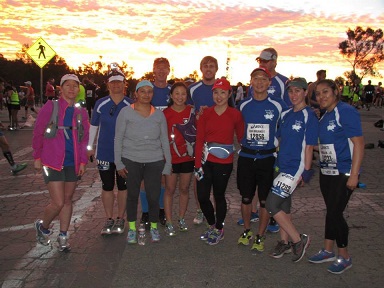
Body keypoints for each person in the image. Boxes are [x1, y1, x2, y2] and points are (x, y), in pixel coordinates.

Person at [308, 79, 364, 274]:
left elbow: (359, 144)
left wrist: (354, 175)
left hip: (343, 172)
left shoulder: (345, 111)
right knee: (331, 211)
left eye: (325, 92)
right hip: (327, 171)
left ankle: (345, 256)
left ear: (336, 91)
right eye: (317, 93)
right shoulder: (325, 116)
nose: (321, 96)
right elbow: (323, 146)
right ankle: (327, 250)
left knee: (335, 213)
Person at [33, 74, 90, 251]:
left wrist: (82, 161)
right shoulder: (52, 106)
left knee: (67, 200)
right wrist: (37, 157)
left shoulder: (81, 112)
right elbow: (38, 132)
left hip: (72, 162)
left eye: (75, 86)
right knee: (58, 202)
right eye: (68, 85)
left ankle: (63, 236)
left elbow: (84, 139)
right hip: (52, 161)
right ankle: (43, 227)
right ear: (61, 88)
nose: (71, 89)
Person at [265, 77, 318, 262]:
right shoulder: (286, 114)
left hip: (295, 168)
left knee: (271, 205)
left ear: (305, 92)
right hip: (280, 165)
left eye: (297, 91)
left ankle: (298, 240)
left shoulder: (309, 115)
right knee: (283, 206)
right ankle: (284, 242)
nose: (293, 95)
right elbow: (280, 140)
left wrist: (306, 172)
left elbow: (310, 147)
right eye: (290, 91)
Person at [114, 80, 172, 244]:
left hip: (154, 160)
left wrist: (168, 163)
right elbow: (118, 138)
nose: (146, 95)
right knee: (132, 195)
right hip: (131, 159)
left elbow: (164, 140)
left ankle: (153, 226)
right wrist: (118, 162)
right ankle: (132, 228)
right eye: (143, 91)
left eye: (150, 92)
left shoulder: (159, 115)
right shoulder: (126, 112)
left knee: (153, 195)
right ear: (136, 94)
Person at [237, 67, 287, 252]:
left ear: (269, 83)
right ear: (250, 81)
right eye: (255, 78)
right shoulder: (243, 104)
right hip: (247, 157)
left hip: (267, 158)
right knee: (246, 197)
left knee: (265, 200)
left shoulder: (278, 105)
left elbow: (287, 126)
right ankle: (247, 230)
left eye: (263, 79)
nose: (259, 82)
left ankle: (260, 235)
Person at [195, 78, 244, 245]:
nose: (219, 96)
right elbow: (200, 139)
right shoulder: (206, 114)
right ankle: (211, 224)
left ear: (229, 93)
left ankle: (219, 228)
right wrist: (197, 165)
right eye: (216, 92)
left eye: (223, 92)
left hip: (224, 162)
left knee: (218, 195)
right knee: (202, 196)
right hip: (205, 161)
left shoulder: (235, 114)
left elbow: (242, 137)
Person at [87, 67, 133, 236]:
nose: (115, 85)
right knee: (107, 186)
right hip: (105, 152)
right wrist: (90, 147)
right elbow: (93, 126)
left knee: (123, 186)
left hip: (125, 153)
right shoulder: (101, 103)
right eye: (112, 82)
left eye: (119, 82)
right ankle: (109, 218)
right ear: (108, 84)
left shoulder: (131, 104)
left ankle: (121, 217)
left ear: (124, 84)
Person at [139, 57, 172, 228]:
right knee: (146, 180)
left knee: (164, 180)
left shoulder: (173, 91)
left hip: (166, 143)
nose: (161, 71)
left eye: (164, 68)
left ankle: (160, 211)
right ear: (153, 70)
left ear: (168, 70)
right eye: (158, 68)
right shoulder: (146, 89)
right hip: (147, 142)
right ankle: (145, 213)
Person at [188, 56, 219, 225]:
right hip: (199, 139)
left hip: (218, 139)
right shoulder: (193, 89)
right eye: (205, 66)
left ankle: (212, 206)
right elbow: (186, 110)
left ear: (216, 69)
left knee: (215, 176)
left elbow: (230, 111)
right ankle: (200, 208)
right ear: (201, 69)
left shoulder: (222, 87)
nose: (208, 69)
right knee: (198, 175)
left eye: (212, 66)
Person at [163, 82, 195, 236]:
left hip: (188, 158)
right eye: (177, 93)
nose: (180, 97)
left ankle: (181, 218)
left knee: (184, 189)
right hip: (170, 158)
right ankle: (169, 221)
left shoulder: (192, 111)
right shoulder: (165, 113)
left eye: (183, 94)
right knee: (169, 189)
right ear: (171, 95)